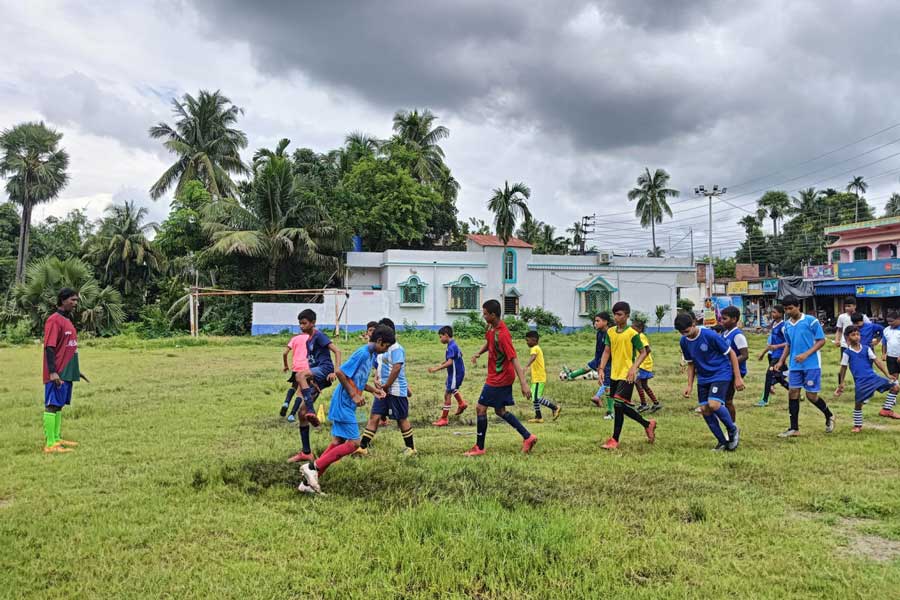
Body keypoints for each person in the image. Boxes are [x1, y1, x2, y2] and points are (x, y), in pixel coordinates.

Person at [298, 326, 394, 493]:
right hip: (344, 402)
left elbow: (358, 379)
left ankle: (307, 484)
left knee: (338, 442)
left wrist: (374, 390)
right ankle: (312, 467)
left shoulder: (371, 355)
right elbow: (341, 373)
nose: (385, 351)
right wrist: (354, 395)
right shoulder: (363, 353)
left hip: (347, 403)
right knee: (354, 443)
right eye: (385, 347)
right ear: (379, 341)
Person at [464, 299, 537, 456]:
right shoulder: (492, 328)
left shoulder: (503, 334)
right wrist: (479, 352)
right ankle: (528, 437)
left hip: (500, 377)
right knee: (500, 410)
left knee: (480, 408)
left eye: (485, 314)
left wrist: (524, 383)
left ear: (493, 314)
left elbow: (514, 359)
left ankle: (479, 447)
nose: (483, 316)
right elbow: (489, 343)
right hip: (497, 375)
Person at [675, 313, 744, 451]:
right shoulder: (684, 341)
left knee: (714, 404)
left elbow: (731, 354)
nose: (686, 335)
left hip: (721, 373)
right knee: (705, 409)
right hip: (703, 377)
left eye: (687, 331)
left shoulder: (710, 335)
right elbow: (691, 364)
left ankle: (732, 429)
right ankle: (722, 442)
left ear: (694, 324)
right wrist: (689, 385)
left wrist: (737, 377)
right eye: (682, 333)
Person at [772, 295, 835, 437]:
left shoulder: (811, 321)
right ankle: (794, 428)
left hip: (811, 364)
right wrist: (781, 361)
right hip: (795, 365)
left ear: (798, 306)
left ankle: (829, 415)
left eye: (790, 308)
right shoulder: (787, 325)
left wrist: (806, 354)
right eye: (786, 309)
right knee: (792, 392)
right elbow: (788, 344)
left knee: (811, 396)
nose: (788, 311)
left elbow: (821, 341)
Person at [597, 302, 656, 450]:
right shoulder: (610, 332)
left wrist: (634, 368)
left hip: (627, 375)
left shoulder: (632, 334)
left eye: (620, 314)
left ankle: (614, 440)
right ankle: (647, 424)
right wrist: (601, 369)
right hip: (614, 374)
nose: (616, 317)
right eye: (615, 314)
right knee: (620, 407)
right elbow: (606, 351)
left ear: (627, 315)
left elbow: (644, 352)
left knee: (618, 404)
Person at [286, 309, 341, 463]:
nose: (301, 326)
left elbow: (337, 351)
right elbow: (312, 362)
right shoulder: (308, 340)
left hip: (325, 370)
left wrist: (336, 371)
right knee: (301, 413)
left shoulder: (319, 336)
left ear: (313, 322)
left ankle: (312, 410)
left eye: (304, 323)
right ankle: (306, 452)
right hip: (316, 377)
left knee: (299, 375)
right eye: (300, 324)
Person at [356, 318, 417, 456]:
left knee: (401, 419)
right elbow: (378, 366)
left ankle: (411, 448)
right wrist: (377, 379)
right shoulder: (380, 349)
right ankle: (363, 447)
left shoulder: (397, 348)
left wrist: (387, 385)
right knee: (374, 416)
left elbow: (396, 368)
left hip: (395, 390)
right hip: (383, 390)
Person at [41, 288, 86, 454]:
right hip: (57, 372)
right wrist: (53, 372)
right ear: (63, 300)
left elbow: (68, 348)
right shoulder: (54, 320)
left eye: (76, 300)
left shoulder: (67, 321)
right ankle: (50, 443)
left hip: (67, 371)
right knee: (52, 404)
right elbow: (50, 347)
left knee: (59, 405)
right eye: (72, 300)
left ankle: (57, 437)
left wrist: (76, 370)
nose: (75, 303)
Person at [835, 325, 900, 432]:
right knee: (858, 404)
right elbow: (843, 369)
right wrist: (840, 384)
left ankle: (886, 409)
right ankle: (857, 425)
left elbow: (877, 361)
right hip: (861, 383)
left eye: (858, 334)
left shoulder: (866, 349)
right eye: (853, 335)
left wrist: (887, 375)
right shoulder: (847, 353)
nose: (856, 337)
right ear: (847, 338)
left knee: (896, 387)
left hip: (873, 378)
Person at [563, 312, 614, 419]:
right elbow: (598, 349)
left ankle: (610, 411)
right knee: (587, 369)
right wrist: (597, 362)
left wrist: (601, 366)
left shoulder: (610, 333)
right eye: (594, 321)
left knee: (608, 385)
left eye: (597, 321)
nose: (595, 323)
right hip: (599, 359)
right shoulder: (599, 333)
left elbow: (609, 351)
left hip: (608, 362)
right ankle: (571, 375)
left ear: (605, 322)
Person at [429, 326, 468, 426]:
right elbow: (460, 354)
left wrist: (436, 368)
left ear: (446, 335)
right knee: (449, 386)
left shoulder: (451, 347)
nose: (440, 339)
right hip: (457, 372)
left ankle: (444, 418)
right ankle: (461, 403)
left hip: (455, 373)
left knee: (447, 394)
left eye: (441, 336)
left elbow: (450, 362)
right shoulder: (454, 344)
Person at [524, 330, 561, 423]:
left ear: (534, 340)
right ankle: (538, 417)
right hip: (536, 378)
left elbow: (533, 357)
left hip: (539, 377)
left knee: (536, 398)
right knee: (534, 397)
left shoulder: (534, 348)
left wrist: (526, 366)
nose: (527, 342)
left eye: (528, 340)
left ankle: (555, 407)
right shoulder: (537, 347)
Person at [756, 304, 789, 407]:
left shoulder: (783, 326)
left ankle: (765, 399)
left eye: (774, 312)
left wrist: (777, 346)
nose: (772, 314)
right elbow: (771, 344)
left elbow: (789, 342)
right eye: (772, 312)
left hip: (780, 355)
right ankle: (794, 391)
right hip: (773, 354)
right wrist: (763, 352)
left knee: (769, 375)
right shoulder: (774, 323)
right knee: (779, 377)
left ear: (780, 313)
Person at [719, 305, 747, 421]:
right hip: (725, 371)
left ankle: (732, 427)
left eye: (725, 319)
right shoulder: (724, 334)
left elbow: (745, 355)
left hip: (736, 371)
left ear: (734, 319)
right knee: (723, 400)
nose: (722, 321)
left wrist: (730, 364)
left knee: (728, 400)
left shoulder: (738, 335)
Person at [280, 320, 310, 422]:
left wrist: (285, 366)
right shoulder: (312, 338)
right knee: (301, 392)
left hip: (296, 367)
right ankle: (292, 414)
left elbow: (285, 353)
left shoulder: (295, 338)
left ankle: (286, 402)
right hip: (306, 368)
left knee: (294, 386)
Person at [630, 318, 660, 413]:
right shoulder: (637, 336)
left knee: (637, 382)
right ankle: (656, 403)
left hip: (644, 364)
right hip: (643, 364)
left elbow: (647, 350)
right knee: (644, 385)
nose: (631, 328)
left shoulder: (641, 336)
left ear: (639, 329)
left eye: (633, 327)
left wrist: (640, 361)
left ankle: (644, 404)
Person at [880, 311, 900, 419]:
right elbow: (884, 342)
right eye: (888, 322)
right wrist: (883, 353)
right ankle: (893, 398)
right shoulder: (886, 330)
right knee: (893, 378)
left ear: (898, 319)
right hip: (891, 357)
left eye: (892, 321)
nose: (890, 323)